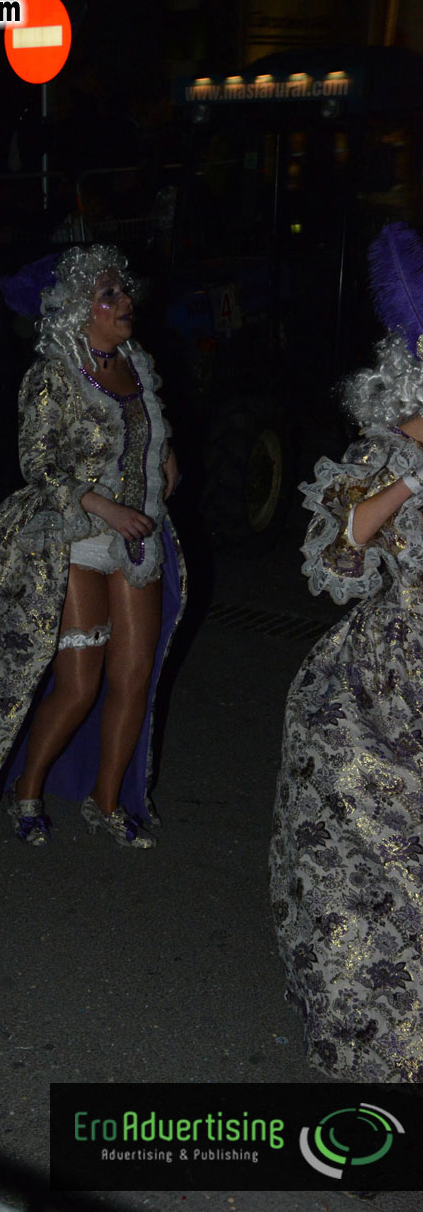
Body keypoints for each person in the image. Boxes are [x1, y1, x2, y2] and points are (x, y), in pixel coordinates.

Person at [0, 244, 186, 893]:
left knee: (134, 676)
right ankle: (28, 789)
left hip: (137, 539)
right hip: (72, 538)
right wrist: (103, 505)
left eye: (123, 290)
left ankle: (106, 799)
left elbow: (150, 433)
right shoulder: (51, 375)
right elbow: (38, 466)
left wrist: (164, 460)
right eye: (108, 294)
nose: (125, 302)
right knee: (79, 685)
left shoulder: (136, 362)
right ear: (77, 309)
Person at [270, 221, 423, 1082]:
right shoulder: (384, 450)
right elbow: (336, 554)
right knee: (367, 891)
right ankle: (375, 1069)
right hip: (377, 698)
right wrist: (412, 477)